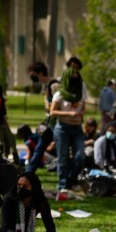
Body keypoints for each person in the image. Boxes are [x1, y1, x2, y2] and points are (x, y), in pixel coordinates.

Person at [0, 170, 69, 232]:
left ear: (33, 188)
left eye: (25, 186)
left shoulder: (40, 201)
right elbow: (5, 229)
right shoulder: (10, 199)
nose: (20, 188)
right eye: (19, 185)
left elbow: (50, 227)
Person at [49, 60, 85, 193]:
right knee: (63, 158)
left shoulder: (80, 94)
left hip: (77, 129)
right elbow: (52, 112)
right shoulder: (59, 94)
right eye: (73, 79)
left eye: (77, 78)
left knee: (80, 156)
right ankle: (63, 185)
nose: (75, 81)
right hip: (62, 129)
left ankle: (72, 181)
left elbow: (84, 108)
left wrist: (81, 113)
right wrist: (68, 113)